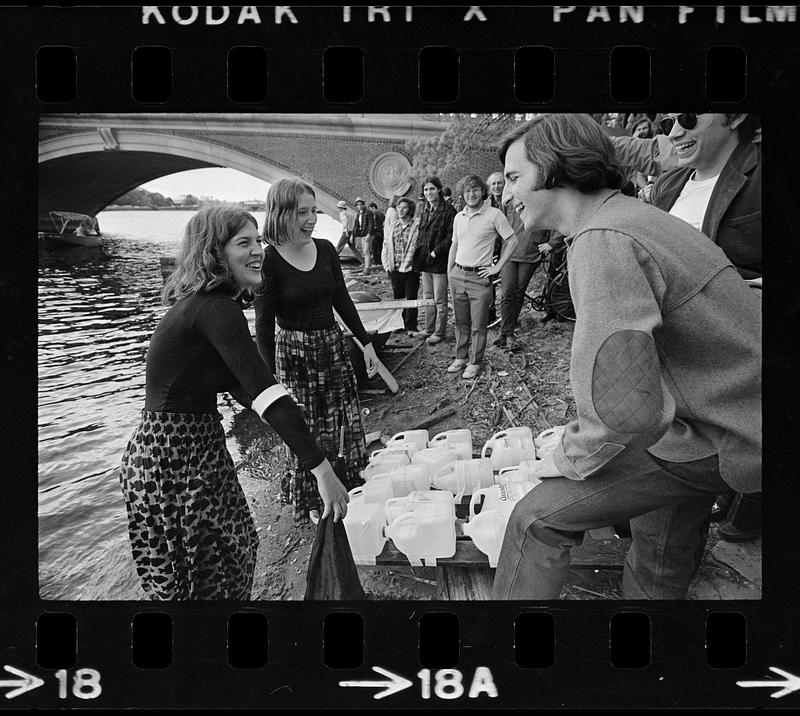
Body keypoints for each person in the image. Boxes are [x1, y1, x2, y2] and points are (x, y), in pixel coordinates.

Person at [491, 114, 761, 600]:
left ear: (556, 168)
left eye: (514, 178)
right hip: (734, 415)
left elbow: (623, 411)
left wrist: (569, 458)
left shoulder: (603, 239)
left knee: (535, 520)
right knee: (660, 539)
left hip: (726, 433)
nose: (507, 194)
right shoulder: (631, 217)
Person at [119, 205, 349, 601]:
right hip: (172, 463)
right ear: (214, 252)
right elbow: (262, 392)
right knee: (202, 580)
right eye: (244, 242)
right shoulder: (214, 308)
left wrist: (297, 432)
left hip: (193, 451)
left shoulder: (207, 305)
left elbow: (249, 390)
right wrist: (321, 469)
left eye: (258, 240)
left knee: (234, 553)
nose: (258, 250)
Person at [254, 180, 379, 523]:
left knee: (342, 420)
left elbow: (343, 300)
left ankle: (348, 481)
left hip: (331, 347)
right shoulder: (268, 261)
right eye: (302, 212)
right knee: (305, 426)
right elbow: (263, 328)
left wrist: (366, 343)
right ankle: (311, 494)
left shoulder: (325, 249)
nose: (311, 219)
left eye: (314, 211)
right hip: (294, 356)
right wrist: (269, 385)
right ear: (281, 214)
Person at [447, 174, 518, 380]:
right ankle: (460, 357)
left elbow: (512, 241)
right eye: (468, 191)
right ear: (462, 194)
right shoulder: (458, 217)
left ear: (482, 191)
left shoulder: (494, 214)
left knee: (478, 324)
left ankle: (474, 362)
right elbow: (455, 245)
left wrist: (497, 267)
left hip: (480, 277)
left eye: (475, 190)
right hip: (458, 274)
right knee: (460, 322)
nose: (471, 194)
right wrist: (449, 271)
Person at [414, 175, 456, 345]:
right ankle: (428, 329)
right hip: (425, 261)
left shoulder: (448, 211)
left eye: (432, 189)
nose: (428, 192)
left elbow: (451, 236)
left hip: (439, 261)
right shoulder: (424, 209)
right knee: (427, 297)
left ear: (439, 189)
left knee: (440, 299)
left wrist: (436, 252)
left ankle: (439, 332)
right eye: (426, 189)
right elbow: (421, 234)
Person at [381, 197, 421, 332]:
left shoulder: (416, 226)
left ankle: (411, 326)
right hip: (395, 268)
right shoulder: (393, 227)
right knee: (398, 297)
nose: (401, 210)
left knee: (411, 298)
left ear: (409, 209)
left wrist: (417, 265)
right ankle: (399, 324)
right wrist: (387, 266)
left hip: (410, 268)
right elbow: (386, 247)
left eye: (404, 208)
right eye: (399, 208)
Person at [352, 196, 376, 275]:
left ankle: (367, 269)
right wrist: (354, 235)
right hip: (363, 234)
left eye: (360, 204)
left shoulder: (368, 212)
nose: (359, 206)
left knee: (366, 251)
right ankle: (367, 266)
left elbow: (371, 224)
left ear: (363, 204)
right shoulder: (359, 214)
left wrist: (369, 234)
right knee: (365, 251)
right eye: (357, 205)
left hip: (367, 234)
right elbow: (357, 225)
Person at [334, 199, 362, 264]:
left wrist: (346, 232)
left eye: (338, 207)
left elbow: (345, 223)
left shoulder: (342, 213)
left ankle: (332, 262)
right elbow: (354, 223)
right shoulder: (351, 214)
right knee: (353, 248)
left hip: (346, 232)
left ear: (340, 208)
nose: (338, 209)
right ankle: (363, 262)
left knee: (339, 247)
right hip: (351, 232)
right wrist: (351, 234)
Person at [368, 201, 385, 270]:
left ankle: (377, 262)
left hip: (376, 232)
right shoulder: (382, 214)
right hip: (381, 232)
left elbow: (374, 224)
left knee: (375, 249)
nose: (370, 211)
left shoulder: (374, 213)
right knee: (380, 248)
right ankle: (381, 262)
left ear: (373, 207)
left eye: (370, 208)